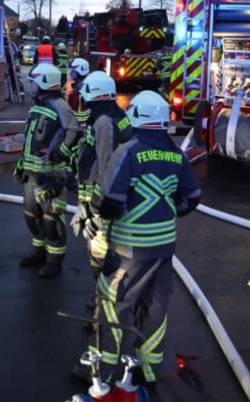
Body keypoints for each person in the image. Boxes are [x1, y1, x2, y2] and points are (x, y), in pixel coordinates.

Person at [76, 90, 201, 386]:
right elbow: (192, 197)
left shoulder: (128, 152)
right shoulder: (176, 154)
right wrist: (165, 212)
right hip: (163, 248)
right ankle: (148, 369)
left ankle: (101, 370)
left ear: (136, 117)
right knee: (155, 304)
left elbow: (111, 200)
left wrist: (99, 213)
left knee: (112, 303)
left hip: (128, 249)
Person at [14, 63, 81, 278]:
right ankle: (38, 252)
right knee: (31, 217)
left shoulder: (60, 106)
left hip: (51, 175)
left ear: (44, 82)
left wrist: (59, 153)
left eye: (33, 82)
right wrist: (22, 163)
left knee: (51, 221)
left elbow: (74, 131)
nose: (30, 85)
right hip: (32, 175)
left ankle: (54, 261)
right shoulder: (36, 107)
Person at [70, 70, 132, 281]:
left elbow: (106, 165)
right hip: (107, 197)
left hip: (100, 199)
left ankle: (104, 292)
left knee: (99, 250)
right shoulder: (116, 117)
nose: (82, 97)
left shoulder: (104, 123)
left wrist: (93, 205)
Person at [66, 57, 91, 126]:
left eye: (73, 70)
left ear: (81, 70)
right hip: (76, 124)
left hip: (82, 126)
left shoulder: (83, 89)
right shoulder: (76, 87)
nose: (70, 73)